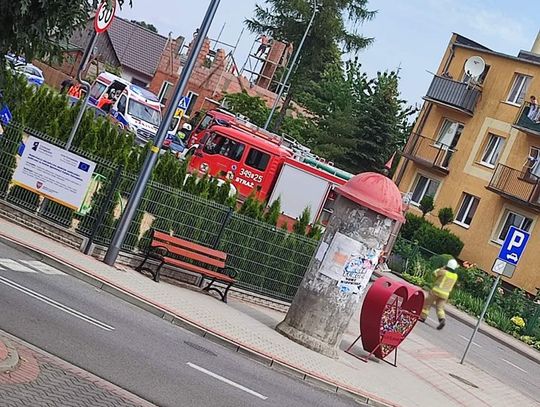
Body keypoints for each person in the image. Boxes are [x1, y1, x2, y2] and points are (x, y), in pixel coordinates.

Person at [419, 258, 459, 330]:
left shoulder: (443, 272)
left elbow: (434, 273)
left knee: (427, 304)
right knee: (440, 308)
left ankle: (422, 317)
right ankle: (442, 319)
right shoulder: (455, 276)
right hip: (445, 294)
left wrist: (442, 268)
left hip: (436, 291)